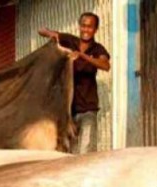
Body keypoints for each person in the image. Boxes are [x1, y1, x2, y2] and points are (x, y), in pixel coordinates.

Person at [39, 12, 110, 154]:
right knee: (69, 153)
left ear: (96, 29)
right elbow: (41, 31)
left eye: (90, 27)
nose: (86, 30)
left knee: (86, 151)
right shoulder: (70, 41)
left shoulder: (98, 49)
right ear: (79, 26)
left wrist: (82, 55)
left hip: (88, 109)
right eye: (83, 26)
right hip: (68, 111)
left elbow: (105, 65)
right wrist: (50, 34)